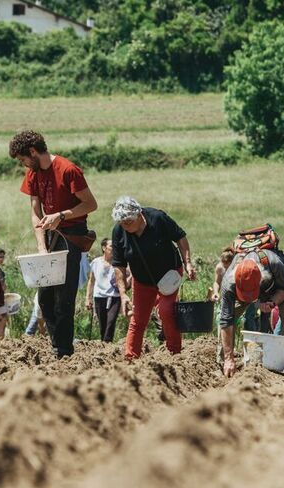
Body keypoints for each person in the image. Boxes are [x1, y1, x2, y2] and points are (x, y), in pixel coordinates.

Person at [10, 130, 98, 358]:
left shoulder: (68, 170)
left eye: (23, 160)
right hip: (49, 236)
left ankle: (63, 350)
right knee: (45, 297)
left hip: (71, 234)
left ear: (33, 152)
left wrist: (61, 215)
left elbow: (90, 204)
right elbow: (35, 211)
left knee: (64, 297)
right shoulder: (33, 174)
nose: (24, 165)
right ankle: (57, 345)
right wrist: (42, 247)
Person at [110, 197, 196, 361]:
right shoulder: (119, 231)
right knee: (138, 318)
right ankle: (130, 358)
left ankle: (175, 354)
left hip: (169, 275)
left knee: (166, 310)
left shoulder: (157, 218)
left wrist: (188, 263)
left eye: (128, 222)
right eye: (122, 223)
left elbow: (180, 237)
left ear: (138, 214)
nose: (125, 226)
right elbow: (119, 265)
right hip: (142, 280)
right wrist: (122, 294)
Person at [219, 249, 284, 378]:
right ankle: (224, 361)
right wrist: (229, 358)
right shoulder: (229, 283)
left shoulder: (274, 264)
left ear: (262, 278)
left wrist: (272, 302)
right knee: (225, 317)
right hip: (252, 292)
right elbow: (225, 320)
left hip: (279, 288)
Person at [85, 238, 121, 343]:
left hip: (115, 296)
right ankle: (104, 346)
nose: (113, 249)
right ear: (104, 248)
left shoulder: (118, 263)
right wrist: (88, 298)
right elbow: (91, 281)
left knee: (111, 322)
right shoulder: (96, 262)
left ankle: (107, 343)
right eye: (111, 246)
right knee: (103, 324)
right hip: (99, 296)